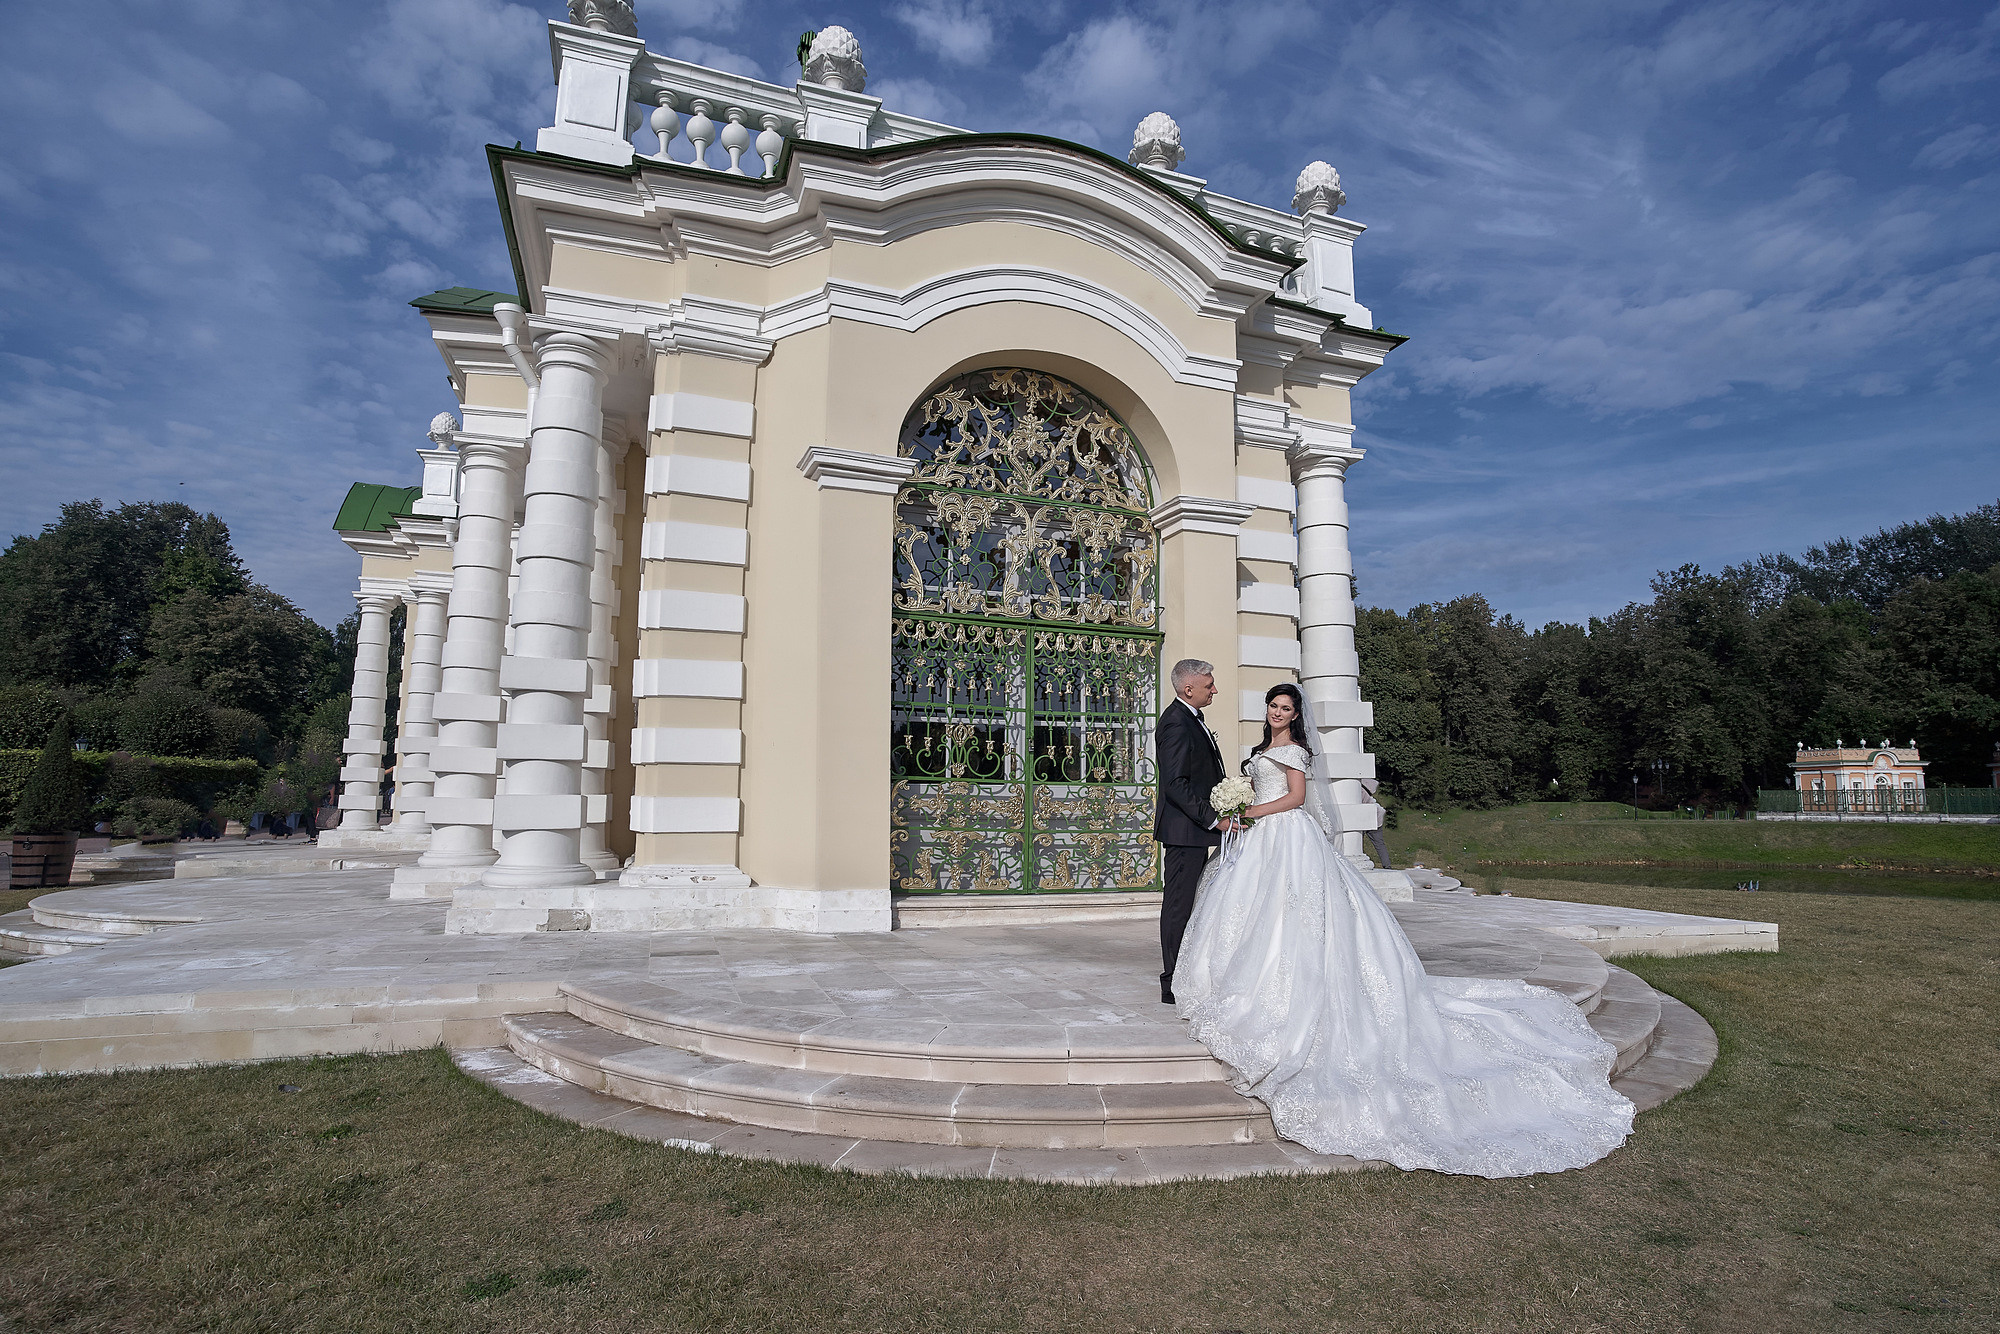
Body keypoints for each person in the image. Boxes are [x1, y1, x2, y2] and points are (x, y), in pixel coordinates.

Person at [1173, 682, 1634, 1177]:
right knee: (1251, 910)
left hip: (1283, 835)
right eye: (1273, 705)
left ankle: (1291, 984)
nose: (1278, 712)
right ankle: (1240, 976)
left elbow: (1297, 798)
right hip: (1258, 840)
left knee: (1295, 911)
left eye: (1286, 708)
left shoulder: (1294, 751)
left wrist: (1248, 812)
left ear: (1296, 715)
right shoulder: (1261, 748)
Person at [1151, 658, 1235, 1007]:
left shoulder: (1191, 720)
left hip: (1196, 831)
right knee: (1179, 906)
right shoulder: (1175, 723)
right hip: (1186, 832)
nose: (1214, 689)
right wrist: (1213, 819)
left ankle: (1190, 971)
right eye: (1209, 684)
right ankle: (1171, 981)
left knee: (1196, 905)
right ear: (1189, 689)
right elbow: (1176, 785)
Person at [1359, 777, 1394, 869]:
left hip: (1368, 816)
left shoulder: (1359, 789)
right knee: (1379, 843)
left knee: (1357, 842)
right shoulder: (1368, 788)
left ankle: (1358, 861)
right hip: (1376, 815)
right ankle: (1387, 866)